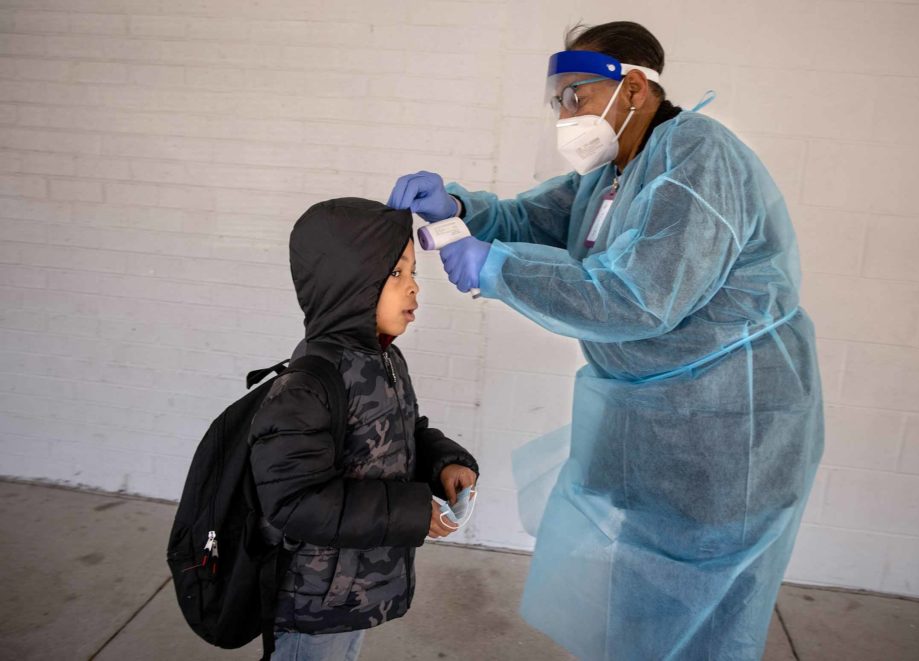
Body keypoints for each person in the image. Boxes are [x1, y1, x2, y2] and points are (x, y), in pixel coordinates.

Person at [388, 21, 823, 661]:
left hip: (729, 430)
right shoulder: (616, 170)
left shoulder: (698, 159)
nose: (565, 115)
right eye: (557, 101)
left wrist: (496, 268)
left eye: (577, 96)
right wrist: (457, 207)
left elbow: (636, 297)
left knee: (701, 609)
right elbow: (531, 217)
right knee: (650, 596)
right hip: (662, 419)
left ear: (636, 88)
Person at [249, 198, 479, 660]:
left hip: (356, 588)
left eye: (413, 272)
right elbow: (294, 502)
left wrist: (446, 462)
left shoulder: (384, 358)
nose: (414, 288)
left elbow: (405, 432)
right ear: (348, 283)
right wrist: (413, 512)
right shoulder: (308, 386)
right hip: (315, 600)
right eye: (396, 274)